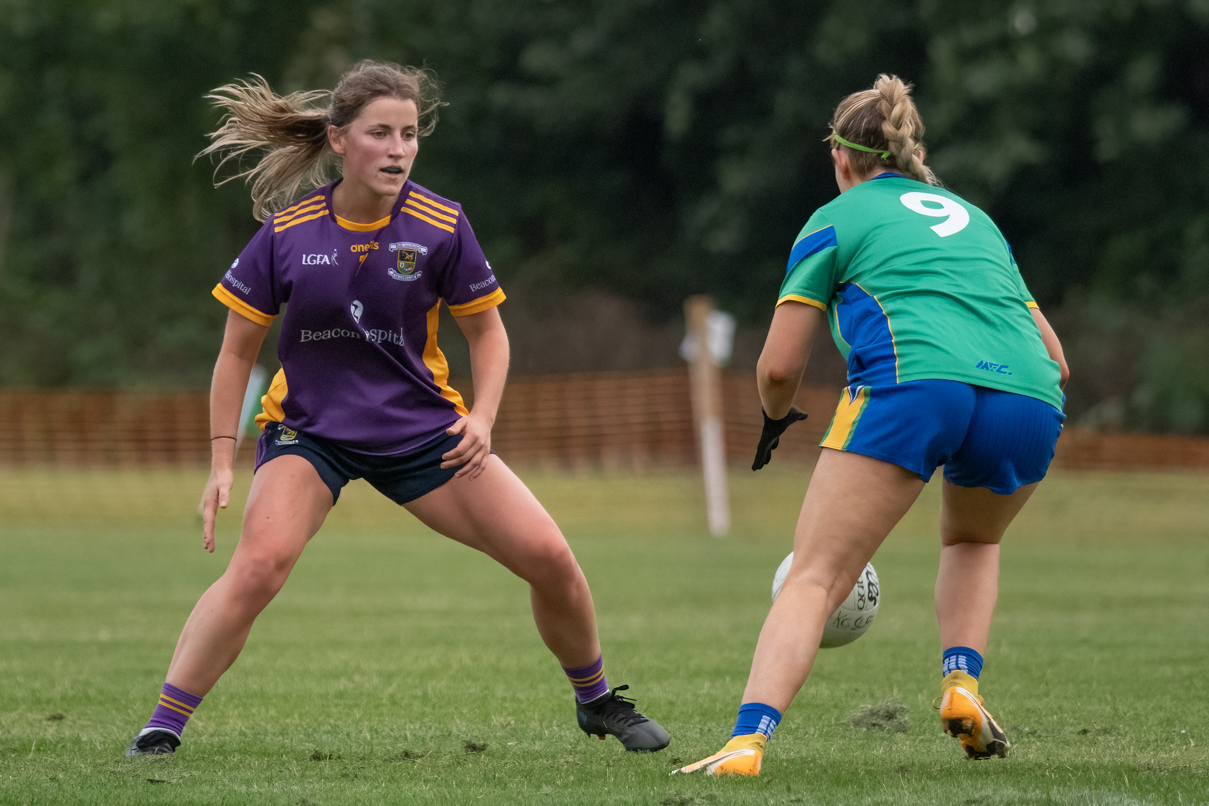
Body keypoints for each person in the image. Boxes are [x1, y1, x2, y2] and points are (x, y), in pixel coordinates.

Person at [126, 60, 668, 757]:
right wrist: (219, 462)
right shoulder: (287, 233)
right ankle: (162, 728)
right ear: (338, 141)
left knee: (550, 557)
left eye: (409, 134)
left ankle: (596, 702)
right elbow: (235, 354)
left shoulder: (441, 225)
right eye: (380, 133)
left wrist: (482, 417)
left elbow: (488, 333)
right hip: (310, 433)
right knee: (258, 568)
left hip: (421, 432)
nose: (398, 149)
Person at [676, 74, 1068, 776]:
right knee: (974, 540)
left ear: (839, 158)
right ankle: (960, 685)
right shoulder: (974, 219)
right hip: (1027, 397)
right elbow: (1055, 359)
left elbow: (776, 369)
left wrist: (772, 422)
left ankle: (745, 741)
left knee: (814, 578)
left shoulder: (836, 218)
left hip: (914, 384)